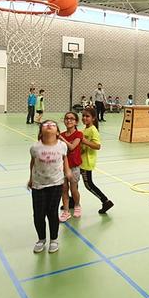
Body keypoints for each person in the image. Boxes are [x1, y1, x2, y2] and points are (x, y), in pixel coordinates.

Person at [29, 119, 70, 254]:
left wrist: (67, 171)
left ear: (57, 132)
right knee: (38, 214)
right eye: (45, 125)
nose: (49, 126)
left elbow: (64, 159)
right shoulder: (35, 147)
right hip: (38, 184)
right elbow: (32, 163)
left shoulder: (62, 146)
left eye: (52, 125)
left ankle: (54, 239)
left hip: (56, 183)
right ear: (41, 131)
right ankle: (41, 239)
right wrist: (30, 178)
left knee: (52, 213)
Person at [80, 108, 113, 213]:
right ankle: (72, 200)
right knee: (73, 181)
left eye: (87, 116)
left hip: (87, 162)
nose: (84, 118)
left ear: (93, 118)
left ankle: (105, 201)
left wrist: (84, 141)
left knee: (89, 185)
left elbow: (97, 146)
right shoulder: (85, 129)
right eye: (83, 116)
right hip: (80, 161)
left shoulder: (93, 130)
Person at [59, 112, 84, 220]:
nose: (69, 120)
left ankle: (77, 205)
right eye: (66, 118)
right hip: (62, 167)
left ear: (76, 122)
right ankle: (66, 211)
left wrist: (61, 138)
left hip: (74, 167)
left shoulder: (78, 134)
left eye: (71, 119)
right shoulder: (62, 135)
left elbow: (72, 147)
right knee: (64, 190)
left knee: (74, 189)